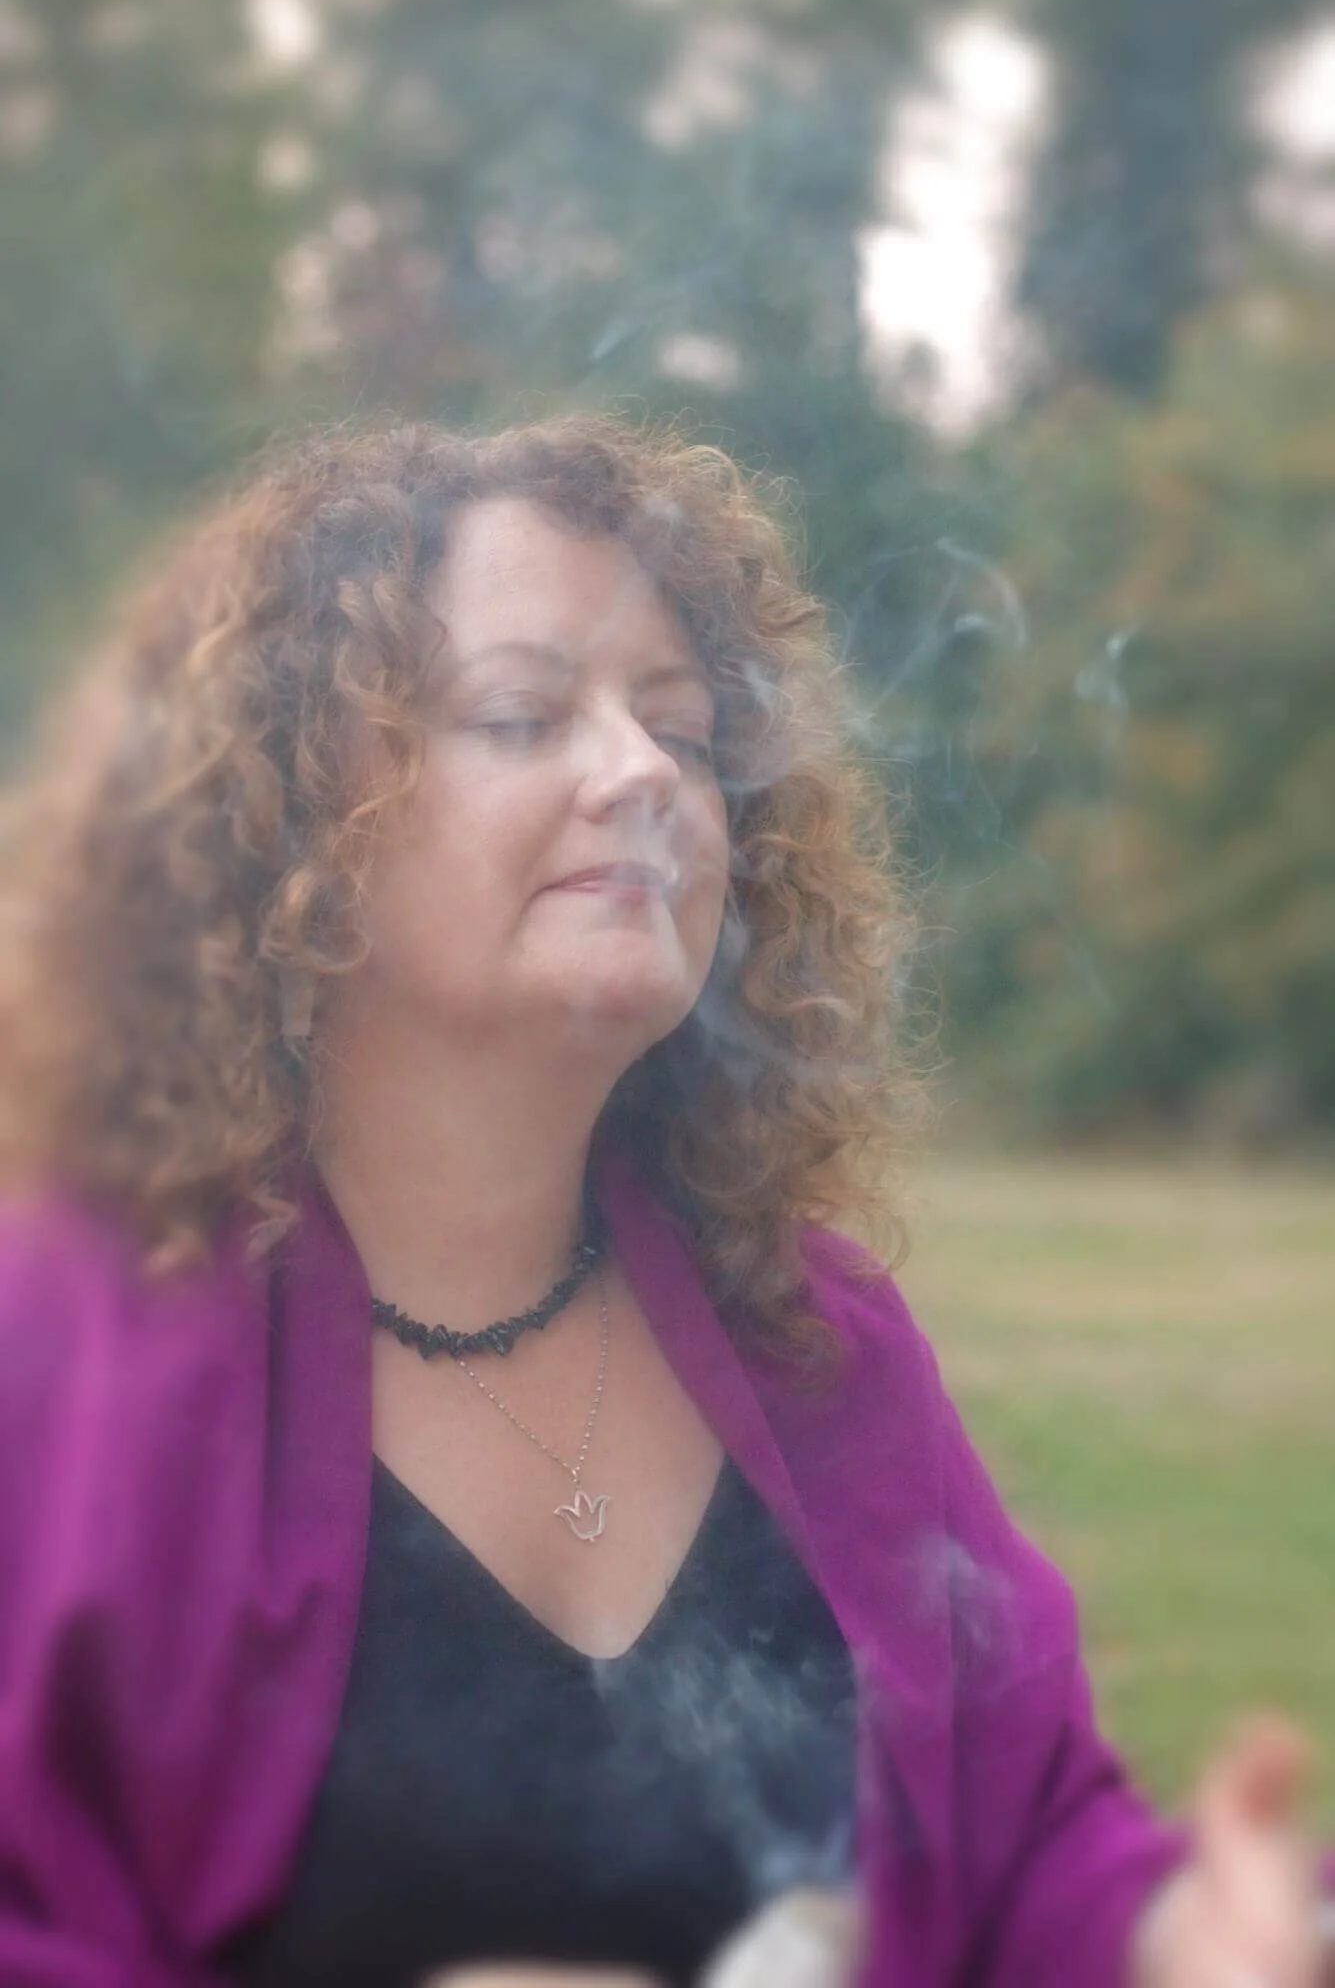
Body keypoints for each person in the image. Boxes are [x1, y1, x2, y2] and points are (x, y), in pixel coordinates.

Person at [0, 414, 1325, 1988]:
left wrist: (1175, 1934)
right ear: (294, 826)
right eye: (520, 712)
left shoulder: (814, 1333)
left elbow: (1027, 1844)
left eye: (684, 732)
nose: (639, 774)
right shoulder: (74, 1344)